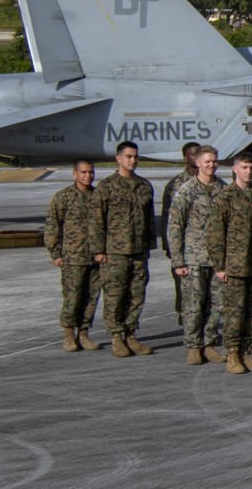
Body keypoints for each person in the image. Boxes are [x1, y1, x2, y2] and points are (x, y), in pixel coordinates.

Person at [95, 141, 158, 357]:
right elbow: (97, 221)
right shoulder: (106, 186)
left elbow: (150, 219)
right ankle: (116, 336)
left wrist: (150, 245)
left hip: (138, 251)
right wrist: (99, 250)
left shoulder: (144, 186)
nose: (132, 160)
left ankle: (131, 334)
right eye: (128, 156)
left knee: (136, 294)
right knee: (115, 295)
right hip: (115, 252)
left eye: (135, 157)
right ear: (118, 158)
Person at [207, 153, 252, 374]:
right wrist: (219, 265)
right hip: (234, 264)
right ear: (234, 169)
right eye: (244, 167)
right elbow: (215, 233)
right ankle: (233, 353)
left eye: (251, 167)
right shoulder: (225, 197)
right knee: (234, 312)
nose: (249, 171)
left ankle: (246, 352)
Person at [164, 146, 225, 365]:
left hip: (216, 259)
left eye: (214, 161)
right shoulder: (186, 191)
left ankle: (209, 343)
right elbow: (175, 226)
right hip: (193, 258)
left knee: (216, 304)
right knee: (193, 304)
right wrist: (178, 260)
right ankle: (193, 346)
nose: (211, 165)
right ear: (198, 163)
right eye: (207, 161)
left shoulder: (222, 189)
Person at [45, 160, 105, 353]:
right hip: (73, 256)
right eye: (84, 172)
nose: (88, 176)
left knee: (92, 296)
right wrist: (55, 253)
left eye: (91, 172)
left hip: (96, 256)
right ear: (74, 174)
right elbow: (53, 225)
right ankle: (69, 334)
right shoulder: (64, 197)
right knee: (72, 296)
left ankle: (84, 332)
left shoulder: (99, 196)